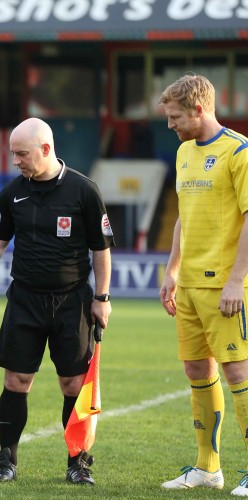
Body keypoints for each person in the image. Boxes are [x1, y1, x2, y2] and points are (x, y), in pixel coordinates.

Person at [0, 117, 114, 486]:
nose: (15, 161)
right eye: (13, 154)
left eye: (21, 154)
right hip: (24, 298)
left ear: (46, 149)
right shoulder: (12, 193)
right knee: (17, 380)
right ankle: (6, 461)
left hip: (73, 300)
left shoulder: (84, 191)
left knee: (73, 385)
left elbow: (101, 250)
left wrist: (102, 297)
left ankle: (78, 461)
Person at [158, 75, 248, 495]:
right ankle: (207, 468)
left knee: (237, 371)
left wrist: (236, 281)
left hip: (226, 287)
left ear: (198, 109)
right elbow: (182, 217)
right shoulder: (182, 153)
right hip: (190, 285)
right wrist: (172, 271)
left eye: (175, 117)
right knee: (197, 369)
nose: (170, 125)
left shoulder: (239, 151)